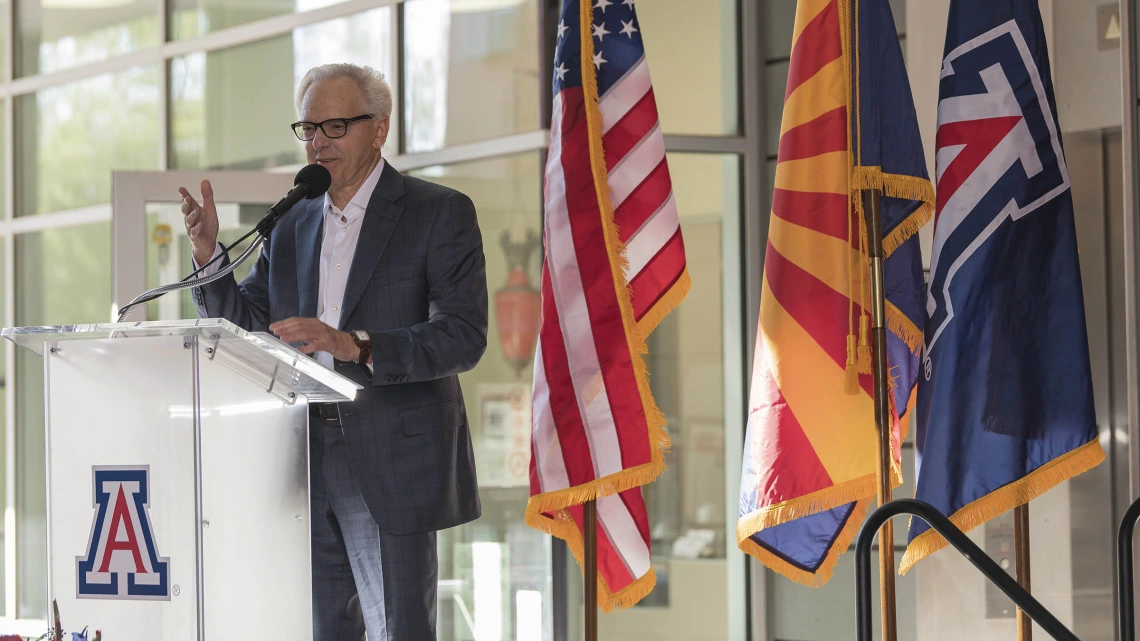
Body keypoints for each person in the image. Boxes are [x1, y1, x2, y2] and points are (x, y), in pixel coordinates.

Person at [179, 62, 487, 641]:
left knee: (398, 627)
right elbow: (252, 322)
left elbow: (463, 336)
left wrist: (354, 345)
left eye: (336, 126)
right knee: (322, 628)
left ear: (380, 128)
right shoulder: (294, 218)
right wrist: (207, 258)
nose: (319, 142)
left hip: (390, 452)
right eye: (309, 128)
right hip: (300, 450)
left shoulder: (438, 212)